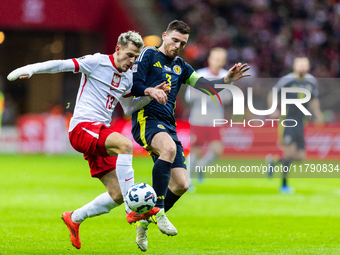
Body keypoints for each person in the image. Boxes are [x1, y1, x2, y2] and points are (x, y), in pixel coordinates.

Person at [7, 31, 170, 250]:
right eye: (129, 55)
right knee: (126, 145)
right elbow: (61, 64)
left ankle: (74, 218)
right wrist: (30, 69)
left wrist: (149, 95)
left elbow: (129, 107)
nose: (132, 61)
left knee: (117, 193)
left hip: (99, 132)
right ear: (118, 49)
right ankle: (133, 209)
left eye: (135, 57)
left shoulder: (128, 77)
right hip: (82, 128)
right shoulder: (97, 62)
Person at [130, 20, 251, 251]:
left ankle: (143, 220)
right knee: (168, 149)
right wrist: (151, 90)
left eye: (182, 43)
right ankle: (159, 210)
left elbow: (203, 85)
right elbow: (133, 85)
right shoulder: (148, 54)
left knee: (182, 184)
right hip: (147, 119)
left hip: (168, 125)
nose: (177, 46)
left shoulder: (180, 66)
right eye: (174, 40)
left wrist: (226, 80)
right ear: (164, 35)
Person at [266, 57, 323, 194]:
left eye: (305, 64)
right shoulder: (287, 80)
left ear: (308, 67)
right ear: (294, 66)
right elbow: (272, 94)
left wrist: (318, 113)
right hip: (287, 120)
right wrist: (273, 109)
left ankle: (273, 161)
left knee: (300, 157)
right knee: (290, 152)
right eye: (299, 64)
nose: (302, 67)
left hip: (301, 122)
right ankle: (284, 185)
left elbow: (314, 99)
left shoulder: (311, 81)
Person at [185, 47, 231, 190]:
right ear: (209, 60)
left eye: (221, 60)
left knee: (217, 150)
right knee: (195, 150)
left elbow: (229, 98)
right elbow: (188, 97)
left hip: (215, 120)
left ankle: (201, 167)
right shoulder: (199, 75)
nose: (218, 62)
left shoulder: (227, 76)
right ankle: (188, 180)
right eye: (215, 59)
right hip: (198, 119)